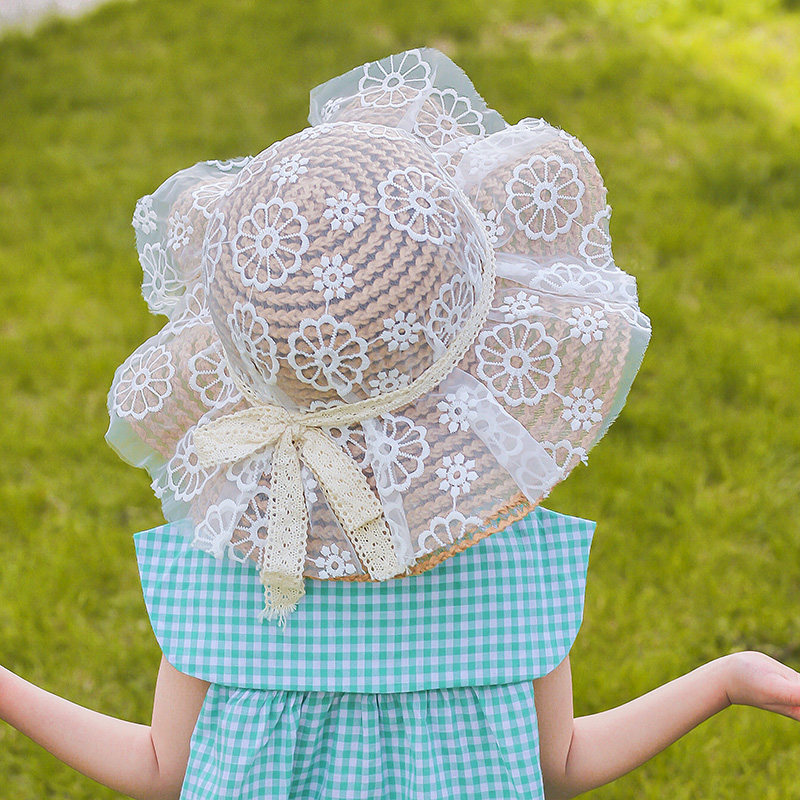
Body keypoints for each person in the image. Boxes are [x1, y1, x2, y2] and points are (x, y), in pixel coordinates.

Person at [1, 48, 798, 800]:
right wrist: (725, 679)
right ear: (483, 359)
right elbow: (557, 765)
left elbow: (160, 770)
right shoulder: (514, 563)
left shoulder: (226, 565)